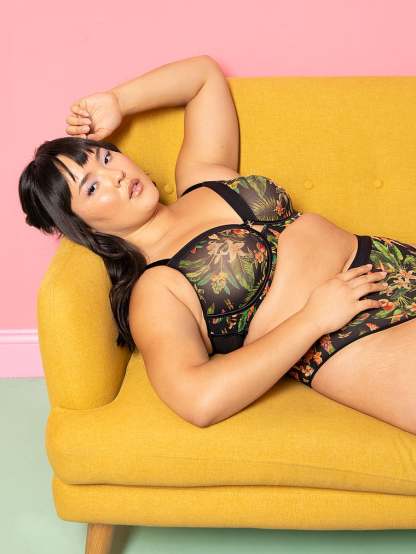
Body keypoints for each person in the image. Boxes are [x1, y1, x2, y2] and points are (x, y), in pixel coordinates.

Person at [18, 55, 416, 432]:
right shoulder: (156, 289)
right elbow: (198, 399)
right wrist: (314, 319)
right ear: (83, 226)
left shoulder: (201, 178)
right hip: (353, 336)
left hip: (391, 262)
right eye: (92, 187)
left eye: (105, 159)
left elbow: (203, 77)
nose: (115, 176)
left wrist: (117, 100)